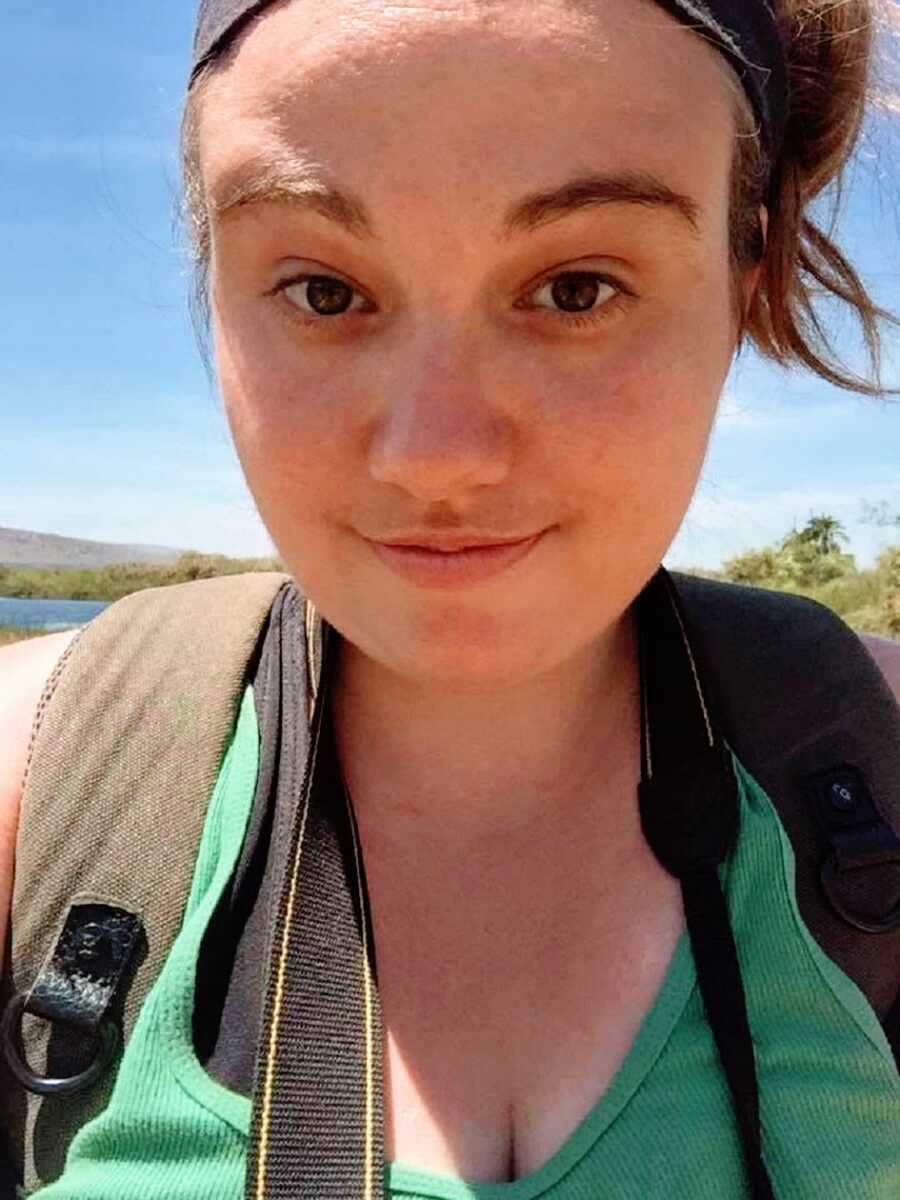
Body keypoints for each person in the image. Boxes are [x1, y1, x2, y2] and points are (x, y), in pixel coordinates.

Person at [2, 0, 900, 1196]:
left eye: (576, 288)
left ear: (743, 290)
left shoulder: (871, 756)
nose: (436, 455)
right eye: (324, 291)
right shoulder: (39, 772)